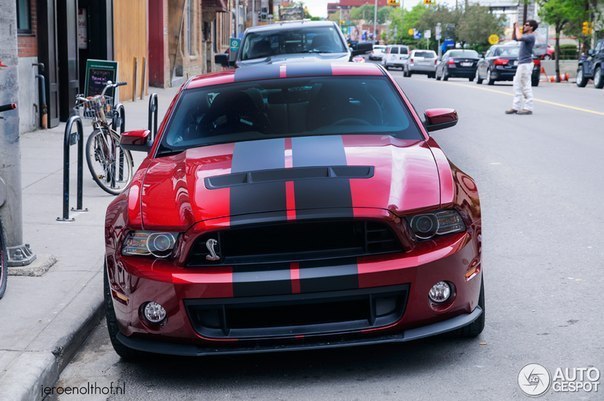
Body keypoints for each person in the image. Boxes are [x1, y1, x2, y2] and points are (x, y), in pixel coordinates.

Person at [505, 19, 538, 115]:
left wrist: (517, 28)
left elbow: (518, 37)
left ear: (531, 27)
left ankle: (528, 107)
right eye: (524, 25)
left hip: (526, 64)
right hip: (522, 64)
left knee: (525, 85)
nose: (524, 26)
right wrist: (514, 27)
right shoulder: (526, 36)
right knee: (517, 85)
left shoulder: (531, 36)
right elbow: (515, 37)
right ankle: (516, 107)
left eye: (526, 25)